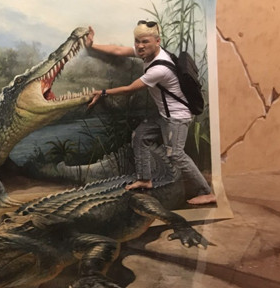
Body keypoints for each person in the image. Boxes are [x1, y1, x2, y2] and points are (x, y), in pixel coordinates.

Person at [85, 20, 216, 205]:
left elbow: (130, 89)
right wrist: (92, 46)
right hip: (165, 114)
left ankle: (206, 192)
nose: (140, 46)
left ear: (157, 41)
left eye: (145, 41)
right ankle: (145, 179)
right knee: (140, 136)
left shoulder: (159, 69)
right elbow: (119, 50)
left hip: (177, 117)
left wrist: (103, 92)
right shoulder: (149, 53)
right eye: (137, 41)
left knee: (176, 154)